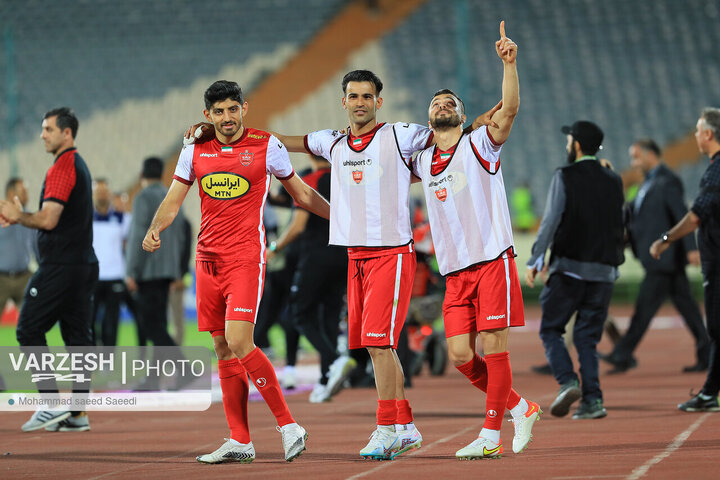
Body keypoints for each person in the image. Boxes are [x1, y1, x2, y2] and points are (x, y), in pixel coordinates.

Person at [185, 73, 492, 462]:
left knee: (380, 344)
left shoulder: (399, 133)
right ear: (342, 101)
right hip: (355, 255)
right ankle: (407, 425)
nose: (360, 101)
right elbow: (277, 142)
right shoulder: (331, 141)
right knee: (373, 344)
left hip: (392, 252)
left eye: (367, 95)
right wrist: (215, 129)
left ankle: (387, 427)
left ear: (379, 102)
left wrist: (474, 123)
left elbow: (445, 132)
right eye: (353, 95)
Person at [146, 80, 329, 463]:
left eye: (233, 109)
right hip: (206, 261)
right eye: (219, 112)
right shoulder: (194, 148)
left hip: (245, 259)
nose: (227, 118)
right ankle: (240, 439)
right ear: (207, 115)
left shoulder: (267, 145)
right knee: (222, 347)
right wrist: (155, 228)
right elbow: (173, 198)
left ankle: (288, 425)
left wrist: (341, 218)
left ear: (244, 108)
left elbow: (301, 194)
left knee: (240, 340)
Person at [412, 22, 540, 460]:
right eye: (436, 102)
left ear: (463, 117)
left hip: (491, 259)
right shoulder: (423, 159)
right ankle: (521, 407)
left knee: (494, 348)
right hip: (454, 271)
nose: (443, 105)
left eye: (451, 103)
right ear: (429, 117)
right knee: (461, 355)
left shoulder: (479, 146)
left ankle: (490, 436)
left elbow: (509, 111)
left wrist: (510, 64)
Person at [0, 107, 98, 432]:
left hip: (61, 265)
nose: (42, 135)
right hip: (83, 264)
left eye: (47, 129)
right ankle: (78, 414)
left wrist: (18, 216)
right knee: (77, 340)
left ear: (66, 133)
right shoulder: (79, 166)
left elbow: (48, 219)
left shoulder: (63, 166)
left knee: (28, 329)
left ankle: (50, 402)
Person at [526, 120, 625, 420]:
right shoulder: (614, 179)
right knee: (587, 339)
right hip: (604, 272)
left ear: (577, 145)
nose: (567, 145)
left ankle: (568, 381)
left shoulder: (565, 176)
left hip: (569, 269)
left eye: (569, 140)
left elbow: (551, 221)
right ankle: (593, 401)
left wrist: (536, 259)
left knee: (551, 329)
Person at [602, 139, 709, 373]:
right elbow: (634, 214)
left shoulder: (667, 181)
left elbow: (682, 214)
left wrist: (691, 247)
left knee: (644, 309)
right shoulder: (648, 183)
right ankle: (707, 354)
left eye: (636, 156)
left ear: (651, 154)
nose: (633, 162)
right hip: (660, 259)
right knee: (688, 308)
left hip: (665, 258)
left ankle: (623, 353)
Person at [650, 107, 720, 412]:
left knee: (716, 328)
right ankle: (709, 391)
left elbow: (695, 217)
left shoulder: (716, 170)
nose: (693, 135)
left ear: (708, 133)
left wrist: (665, 240)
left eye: (696, 130)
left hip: (717, 262)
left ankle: (708, 393)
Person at [269, 154, 352, 403]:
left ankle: (335, 360)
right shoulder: (345, 180)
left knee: (299, 313)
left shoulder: (309, 180)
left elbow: (297, 226)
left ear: (310, 155)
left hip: (316, 256)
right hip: (344, 255)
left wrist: (273, 248)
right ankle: (328, 378)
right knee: (329, 315)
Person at [125, 157, 183, 352]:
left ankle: (184, 370)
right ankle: (154, 377)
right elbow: (181, 237)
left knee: (151, 326)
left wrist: (131, 271)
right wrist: (178, 270)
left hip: (148, 272)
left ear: (142, 175)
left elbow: (137, 237)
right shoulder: (173, 197)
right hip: (168, 271)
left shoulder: (142, 197)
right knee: (160, 324)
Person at [91, 178, 132, 346]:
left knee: (112, 320)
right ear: (93, 194)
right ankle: (91, 356)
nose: (102, 194)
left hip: (115, 275)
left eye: (104, 191)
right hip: (92, 276)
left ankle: (107, 359)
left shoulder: (123, 218)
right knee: (89, 320)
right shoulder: (85, 218)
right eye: (98, 191)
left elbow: (132, 242)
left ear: (109, 194)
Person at [0, 178, 36, 312]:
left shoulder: (30, 218)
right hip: (1, 278)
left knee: (32, 317)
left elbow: (36, 248)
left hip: (24, 277)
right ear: (10, 193)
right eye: (23, 192)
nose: (27, 196)